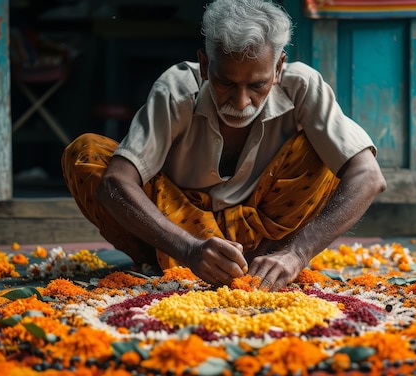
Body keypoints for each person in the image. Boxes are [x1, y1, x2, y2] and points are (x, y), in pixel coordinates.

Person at [62, 0, 386, 290]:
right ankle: (175, 260)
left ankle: (272, 264)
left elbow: (368, 176)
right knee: (87, 154)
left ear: (278, 68)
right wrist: (188, 249)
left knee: (327, 151)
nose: (241, 101)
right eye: (226, 83)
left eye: (257, 85)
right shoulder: (176, 89)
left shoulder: (302, 86)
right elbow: (116, 182)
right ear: (205, 66)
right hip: (180, 233)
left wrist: (297, 253)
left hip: (265, 240)